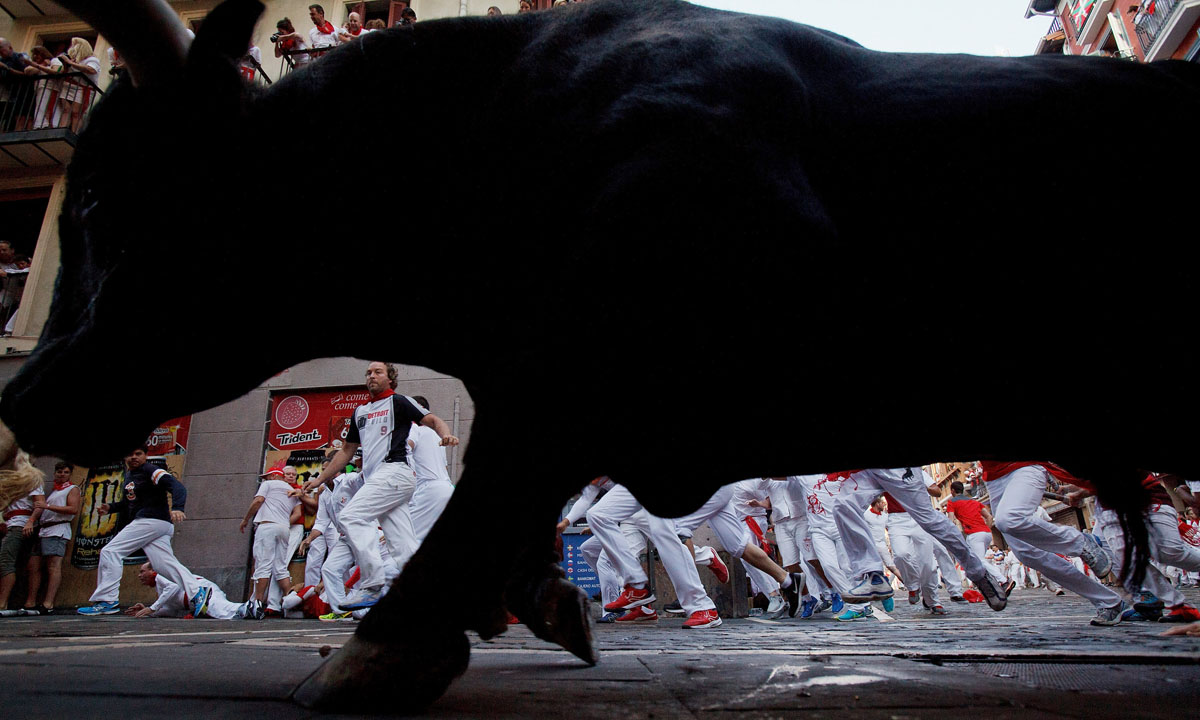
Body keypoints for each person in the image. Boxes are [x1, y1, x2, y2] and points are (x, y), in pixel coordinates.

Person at [301, 361, 458, 610]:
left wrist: (446, 434)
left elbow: (433, 420)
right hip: (380, 481)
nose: (371, 376)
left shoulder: (400, 402)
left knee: (351, 516)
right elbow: (345, 451)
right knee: (403, 544)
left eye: (378, 372)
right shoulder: (360, 412)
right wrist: (320, 479)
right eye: (368, 373)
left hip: (395, 472)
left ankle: (372, 584)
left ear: (390, 379)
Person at [981, 461, 1125, 626]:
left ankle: (1080, 542)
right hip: (993, 478)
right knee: (1028, 555)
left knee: (1008, 519)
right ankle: (1109, 602)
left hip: (1024, 465)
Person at [78, 447, 209, 617]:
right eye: (130, 454)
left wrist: (177, 507)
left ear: (145, 456)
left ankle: (107, 600)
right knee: (164, 564)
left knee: (111, 551)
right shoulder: (130, 476)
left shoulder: (150, 470)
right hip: (158, 524)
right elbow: (129, 503)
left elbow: (177, 487)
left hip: (151, 520)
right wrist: (110, 508)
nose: (133, 457)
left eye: (138, 454)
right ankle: (197, 591)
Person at [240, 464, 300, 618]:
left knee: (263, 564)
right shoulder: (292, 491)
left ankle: (257, 603)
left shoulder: (268, 485)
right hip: (284, 528)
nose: (264, 480)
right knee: (280, 567)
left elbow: (258, 501)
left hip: (267, 526)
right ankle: (290, 598)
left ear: (274, 476)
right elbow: (298, 512)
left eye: (266, 477)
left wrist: (246, 519)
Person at [28, 462, 80, 613]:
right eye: (59, 472)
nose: (62, 474)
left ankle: (48, 603)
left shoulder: (72, 489)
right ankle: (31, 601)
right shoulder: (54, 491)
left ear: (69, 474)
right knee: (34, 565)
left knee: (53, 566)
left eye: (65, 472)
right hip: (44, 529)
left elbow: (73, 509)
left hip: (57, 529)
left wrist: (47, 506)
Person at [406, 396, 455, 544]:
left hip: (429, 493)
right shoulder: (434, 435)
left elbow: (406, 447)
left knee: (403, 542)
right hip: (446, 489)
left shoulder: (413, 428)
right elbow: (445, 467)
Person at [124, 562, 250, 619]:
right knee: (221, 612)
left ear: (152, 571)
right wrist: (147, 611)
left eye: (142, 571)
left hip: (204, 591)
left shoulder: (161, 574)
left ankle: (249, 608)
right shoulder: (160, 588)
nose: (139, 575)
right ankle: (247, 611)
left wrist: (153, 607)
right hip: (199, 597)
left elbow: (173, 587)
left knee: (219, 609)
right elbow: (170, 610)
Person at [945, 480, 1006, 586]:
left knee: (979, 560)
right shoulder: (975, 502)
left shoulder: (952, 502)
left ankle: (1003, 580)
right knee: (977, 561)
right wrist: (987, 528)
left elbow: (950, 520)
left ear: (953, 491)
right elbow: (989, 517)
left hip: (974, 534)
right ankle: (990, 583)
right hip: (986, 533)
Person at [0, 476, 43, 616]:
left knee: (6, 562)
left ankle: (2, 603)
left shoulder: (32, 481)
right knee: (22, 564)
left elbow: (40, 503)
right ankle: (17, 601)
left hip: (20, 524)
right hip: (14, 523)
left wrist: (30, 521)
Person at [55, 37, 101, 133]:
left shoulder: (92, 59)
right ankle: (61, 130)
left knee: (76, 113)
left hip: (82, 88)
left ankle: (75, 133)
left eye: (74, 45)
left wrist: (70, 62)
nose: (72, 47)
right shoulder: (75, 60)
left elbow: (91, 70)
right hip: (69, 86)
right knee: (66, 110)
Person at [22, 46, 63, 130]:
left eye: (38, 54)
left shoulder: (54, 61)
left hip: (50, 88)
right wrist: (42, 65)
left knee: (48, 108)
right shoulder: (40, 65)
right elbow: (27, 71)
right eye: (34, 55)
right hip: (40, 89)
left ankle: (49, 126)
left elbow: (57, 71)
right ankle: (40, 126)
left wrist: (39, 66)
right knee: (40, 108)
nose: (35, 57)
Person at [0, 37, 32, 132]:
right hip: (10, 95)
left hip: (23, 93)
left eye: (1, 47)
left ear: (10, 47)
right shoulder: (3, 60)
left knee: (18, 118)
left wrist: (6, 68)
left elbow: (25, 74)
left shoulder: (19, 57)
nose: (0, 51)